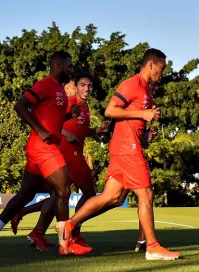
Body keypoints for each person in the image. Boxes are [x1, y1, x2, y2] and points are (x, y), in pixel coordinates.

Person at [56, 48, 180, 260]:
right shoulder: (132, 84)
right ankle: (152, 246)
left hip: (128, 146)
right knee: (146, 193)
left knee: (112, 197)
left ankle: (69, 225)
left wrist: (145, 137)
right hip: (126, 149)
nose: (164, 70)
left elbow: (130, 123)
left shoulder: (148, 91)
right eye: (162, 66)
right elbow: (110, 110)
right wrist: (143, 113)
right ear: (151, 64)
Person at [0, 51, 80, 258]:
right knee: (63, 189)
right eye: (69, 66)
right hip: (44, 147)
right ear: (59, 65)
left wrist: (69, 115)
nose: (72, 70)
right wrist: (40, 130)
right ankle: (65, 244)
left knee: (26, 194)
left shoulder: (59, 90)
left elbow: (51, 118)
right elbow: (20, 106)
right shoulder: (45, 84)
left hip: (39, 147)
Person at [9, 72, 109, 251]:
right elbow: (54, 124)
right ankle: (73, 231)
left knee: (59, 196)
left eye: (90, 86)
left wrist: (96, 131)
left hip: (76, 153)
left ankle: (38, 230)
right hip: (65, 153)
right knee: (87, 192)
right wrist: (66, 134)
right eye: (82, 85)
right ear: (76, 87)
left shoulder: (85, 108)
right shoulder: (69, 103)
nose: (86, 89)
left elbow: (81, 130)